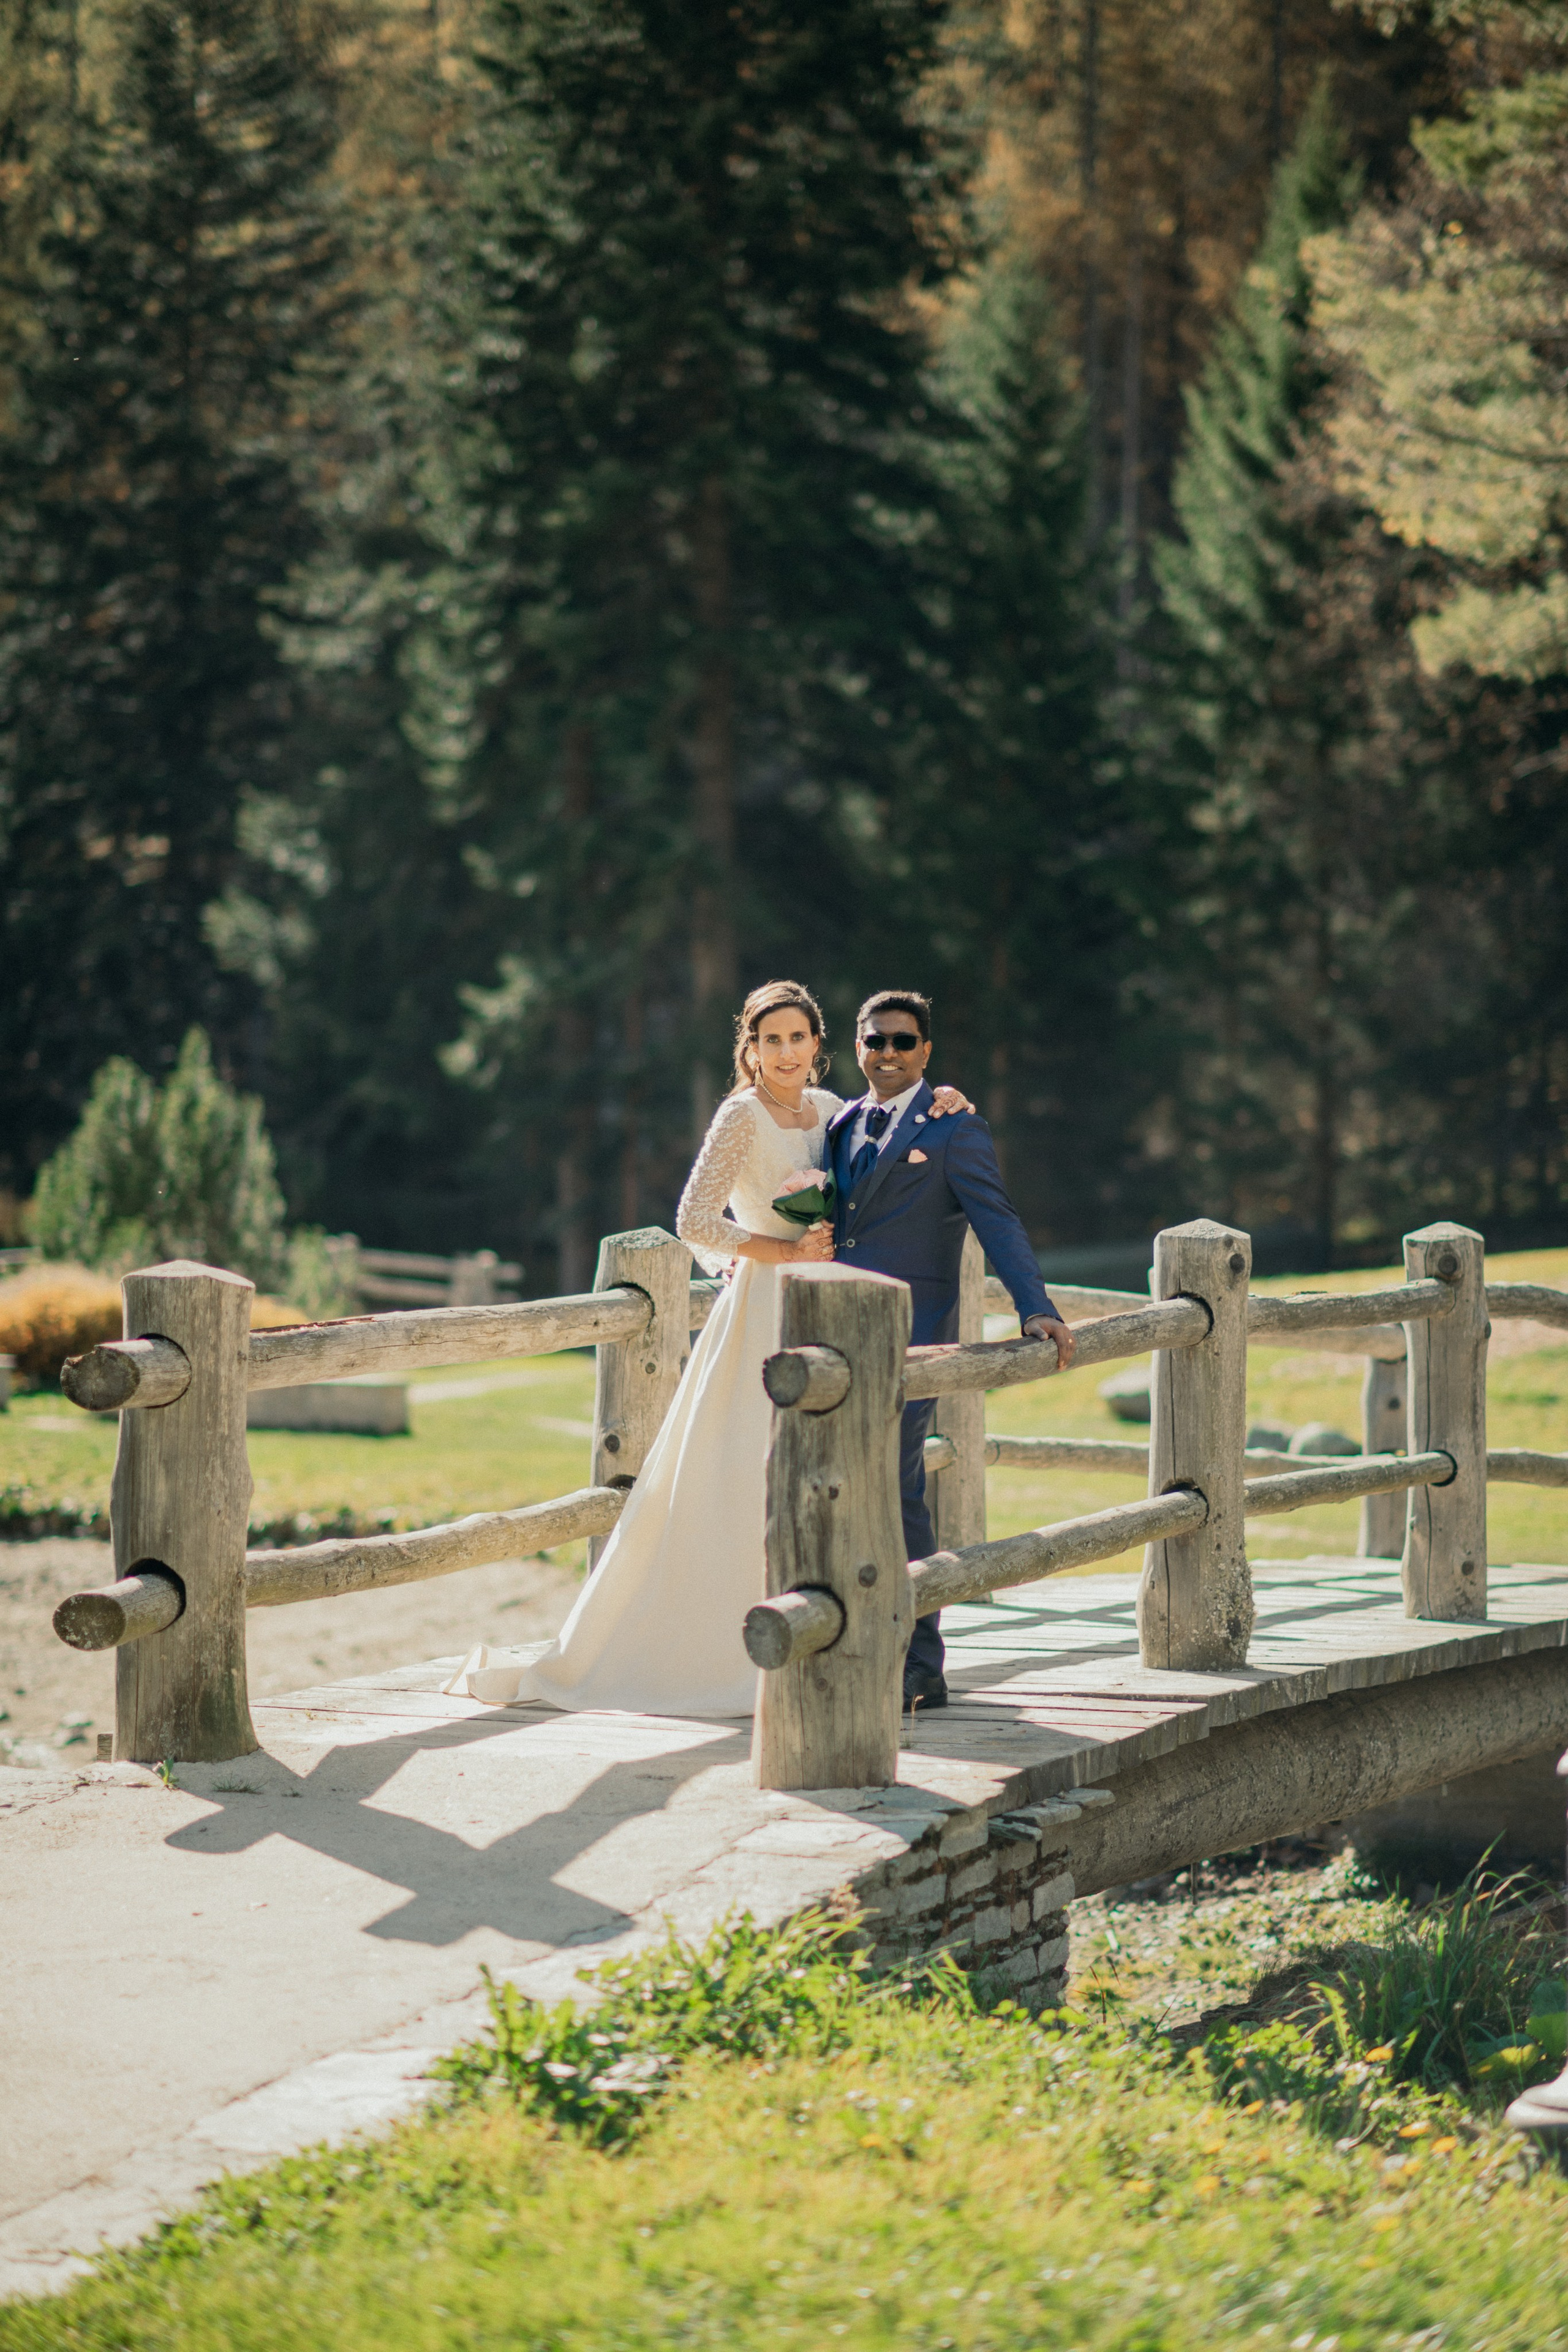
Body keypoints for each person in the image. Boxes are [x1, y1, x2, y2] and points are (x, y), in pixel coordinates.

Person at [447, 981, 972, 1717]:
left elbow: (894, 1131)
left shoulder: (830, 1112)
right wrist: (777, 1249)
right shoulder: (740, 1116)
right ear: (749, 1050)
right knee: (743, 1476)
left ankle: (833, 1632)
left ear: (819, 1046)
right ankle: (724, 1651)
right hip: (764, 1308)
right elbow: (694, 1220)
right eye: (771, 1040)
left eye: (797, 1038)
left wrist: (944, 1097)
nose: (785, 1053)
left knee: (836, 1473)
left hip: (828, 1309)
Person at [827, 989, 1075, 1713]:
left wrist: (1036, 1306)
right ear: (858, 1046)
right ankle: (843, 1641)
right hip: (830, 1333)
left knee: (899, 1487)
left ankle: (918, 1666)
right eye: (876, 1042)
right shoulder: (840, 1123)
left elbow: (996, 1220)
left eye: (904, 1042)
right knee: (828, 1484)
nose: (889, 1054)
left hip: (914, 1337)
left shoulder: (954, 1130)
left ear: (926, 1052)